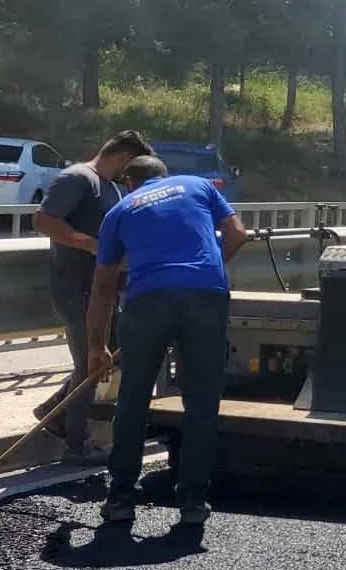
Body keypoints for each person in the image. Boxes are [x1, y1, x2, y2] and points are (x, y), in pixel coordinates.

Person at [85, 155, 248, 526]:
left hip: (147, 301)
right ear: (164, 176)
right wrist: (208, 269)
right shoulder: (199, 185)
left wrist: (97, 345)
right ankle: (192, 501)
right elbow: (239, 233)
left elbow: (102, 288)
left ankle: (121, 498)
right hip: (205, 296)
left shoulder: (120, 211)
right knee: (202, 401)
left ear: (129, 183)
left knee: (134, 399)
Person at [30, 129, 153, 464]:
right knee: (89, 363)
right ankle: (76, 446)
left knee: (104, 357)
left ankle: (54, 412)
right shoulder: (77, 179)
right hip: (76, 286)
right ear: (125, 157)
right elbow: (43, 220)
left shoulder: (108, 185)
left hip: (102, 290)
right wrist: (92, 245)